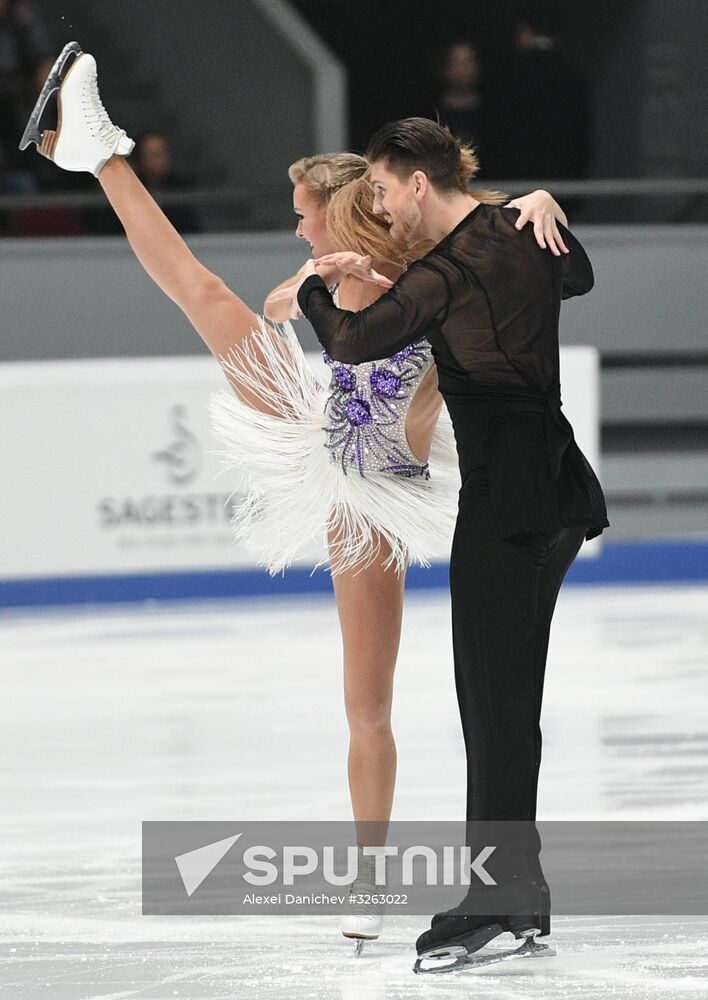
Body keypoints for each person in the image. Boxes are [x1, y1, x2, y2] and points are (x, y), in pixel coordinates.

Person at [21, 45, 574, 953]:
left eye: (302, 218)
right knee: (199, 292)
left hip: (378, 487)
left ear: (343, 208)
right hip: (323, 429)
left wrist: (530, 202)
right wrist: (305, 295)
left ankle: (369, 875)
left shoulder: (426, 268)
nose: (297, 233)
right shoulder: (351, 269)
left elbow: (474, 247)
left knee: (369, 706)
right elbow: (302, 308)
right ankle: (100, 151)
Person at [294, 116, 609, 972]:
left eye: (385, 191)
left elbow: (354, 340)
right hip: (560, 491)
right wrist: (536, 203)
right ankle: (521, 893)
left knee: (494, 706)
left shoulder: (446, 268)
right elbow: (574, 271)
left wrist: (315, 290)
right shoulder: (511, 230)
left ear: (419, 184)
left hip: (508, 510)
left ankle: (497, 902)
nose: (381, 206)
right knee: (508, 701)